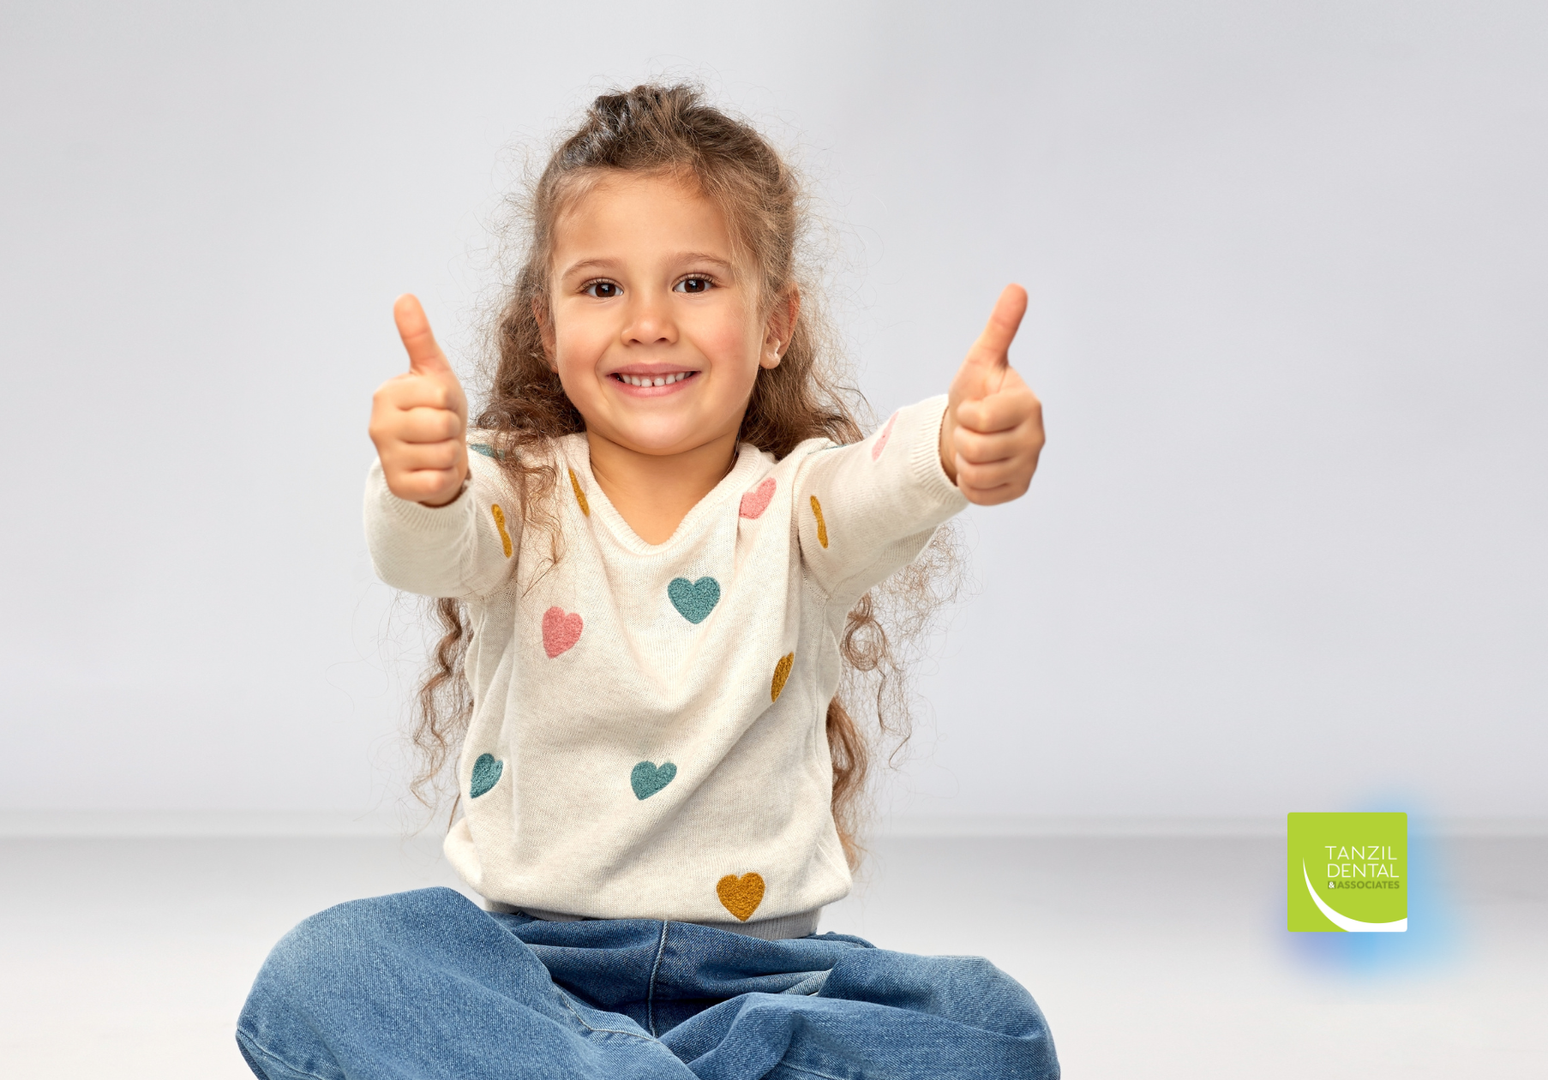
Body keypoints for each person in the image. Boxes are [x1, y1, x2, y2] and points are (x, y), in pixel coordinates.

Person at [237, 84, 1055, 1080]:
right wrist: (421, 477)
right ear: (546, 327)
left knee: (991, 1024)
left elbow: (888, 479)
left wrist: (958, 443)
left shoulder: (805, 512)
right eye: (601, 288)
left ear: (775, 324)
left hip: (768, 984)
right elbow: (427, 543)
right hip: (532, 976)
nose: (648, 323)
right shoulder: (516, 493)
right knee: (328, 969)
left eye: (697, 284)